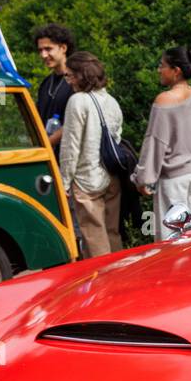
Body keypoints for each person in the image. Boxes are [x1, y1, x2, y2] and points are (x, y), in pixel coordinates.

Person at [133, 46, 191, 232]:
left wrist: (143, 179)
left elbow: (155, 144)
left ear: (176, 71)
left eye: (162, 65)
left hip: (174, 182)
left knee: (172, 241)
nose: (158, 70)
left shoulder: (164, 101)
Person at [57, 52, 124, 257]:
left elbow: (71, 145)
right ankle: (123, 277)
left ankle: (104, 284)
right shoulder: (111, 100)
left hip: (86, 180)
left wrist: (64, 181)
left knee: (94, 238)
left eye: (69, 76)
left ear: (80, 75)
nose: (68, 81)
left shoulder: (77, 101)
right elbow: (118, 136)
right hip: (111, 176)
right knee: (112, 233)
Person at [32, 23, 75, 154]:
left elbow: (74, 122)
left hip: (69, 157)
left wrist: (46, 145)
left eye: (48, 49)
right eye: (40, 50)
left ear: (63, 48)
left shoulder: (77, 82)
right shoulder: (46, 83)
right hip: (47, 155)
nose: (43, 55)